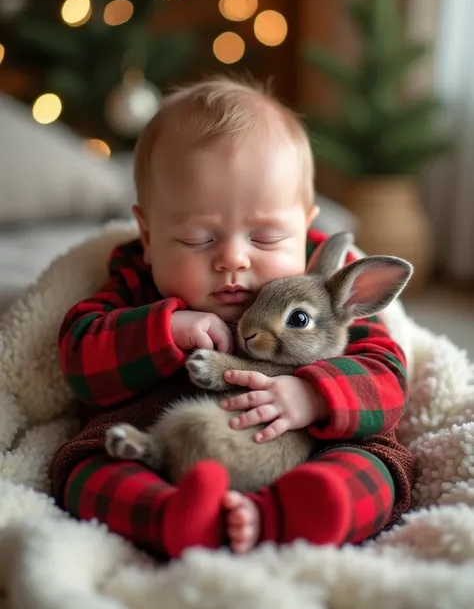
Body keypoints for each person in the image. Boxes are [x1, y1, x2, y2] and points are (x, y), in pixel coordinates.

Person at [50, 75, 414, 559]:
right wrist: (164, 330)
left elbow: (386, 379)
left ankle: (282, 515)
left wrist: (313, 394)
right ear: (150, 235)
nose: (233, 260)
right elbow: (80, 358)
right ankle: (173, 517)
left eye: (264, 239)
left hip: (308, 449)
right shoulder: (136, 280)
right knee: (84, 468)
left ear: (306, 232)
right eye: (198, 240)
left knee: (378, 467)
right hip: (160, 441)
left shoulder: (321, 291)